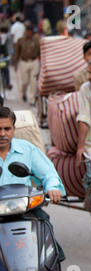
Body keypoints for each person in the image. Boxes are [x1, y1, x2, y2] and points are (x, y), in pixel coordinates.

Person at [0, 107, 66, 262]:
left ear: (14, 129)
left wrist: (52, 188)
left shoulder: (27, 149)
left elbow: (48, 173)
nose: (2, 134)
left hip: (25, 209)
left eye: (7, 129)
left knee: (45, 228)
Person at [13, 25, 40, 105]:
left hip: (34, 61)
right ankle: (24, 93)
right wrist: (15, 63)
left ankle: (31, 99)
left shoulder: (36, 40)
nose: (29, 33)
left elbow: (39, 51)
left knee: (33, 82)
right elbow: (17, 53)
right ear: (26, 31)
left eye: (30, 31)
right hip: (24, 62)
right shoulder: (20, 40)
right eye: (27, 31)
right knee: (24, 82)